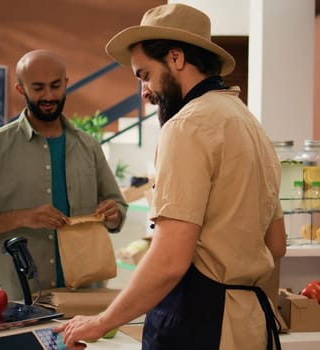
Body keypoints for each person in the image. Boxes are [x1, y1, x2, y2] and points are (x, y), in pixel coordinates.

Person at [56, 4, 286, 350]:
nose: (144, 92)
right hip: (249, 324)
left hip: (203, 324)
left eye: (144, 75)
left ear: (176, 58)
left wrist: (101, 322)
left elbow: (169, 260)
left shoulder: (187, 126)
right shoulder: (250, 125)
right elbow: (276, 244)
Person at [0, 49, 128, 301]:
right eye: (38, 88)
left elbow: (118, 209)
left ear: (66, 84)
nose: (48, 96)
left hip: (84, 296)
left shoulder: (89, 146)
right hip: (17, 297)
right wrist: (23, 217)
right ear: (20, 89)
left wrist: (113, 214)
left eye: (55, 86)